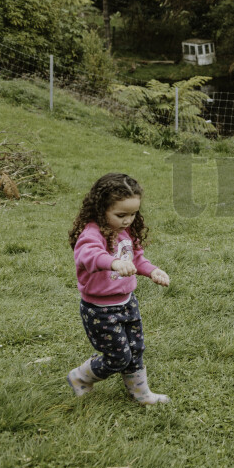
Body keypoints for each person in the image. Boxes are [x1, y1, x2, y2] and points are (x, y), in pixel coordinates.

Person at [66, 173, 172, 404]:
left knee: (135, 349)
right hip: (100, 310)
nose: (128, 221)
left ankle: (140, 394)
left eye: (133, 214)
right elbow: (89, 256)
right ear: (101, 209)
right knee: (118, 357)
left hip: (127, 302)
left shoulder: (126, 233)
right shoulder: (91, 233)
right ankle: (81, 377)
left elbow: (138, 260)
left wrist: (152, 271)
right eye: (121, 215)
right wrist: (113, 262)